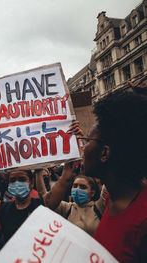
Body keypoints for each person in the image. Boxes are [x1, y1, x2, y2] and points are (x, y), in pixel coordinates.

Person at [81, 88, 147, 262]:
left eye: (87, 141)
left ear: (104, 153)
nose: (83, 148)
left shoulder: (143, 223)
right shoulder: (110, 199)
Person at [36, 167, 107, 236]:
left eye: (83, 187)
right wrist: (38, 172)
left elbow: (108, 185)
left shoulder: (99, 207)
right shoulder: (67, 208)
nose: (77, 189)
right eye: (75, 186)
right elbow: (45, 196)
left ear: (92, 193)